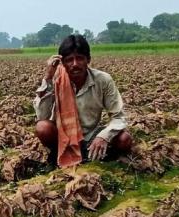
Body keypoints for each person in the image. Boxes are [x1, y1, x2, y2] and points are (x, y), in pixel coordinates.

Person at [33, 34, 132, 164]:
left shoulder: (103, 80)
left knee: (124, 139)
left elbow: (119, 117)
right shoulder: (56, 80)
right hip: (63, 136)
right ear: (62, 63)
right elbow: (42, 115)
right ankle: (60, 155)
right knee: (42, 128)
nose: (75, 64)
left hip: (91, 134)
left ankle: (103, 157)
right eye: (69, 60)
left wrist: (103, 137)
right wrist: (48, 78)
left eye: (79, 58)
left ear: (88, 59)